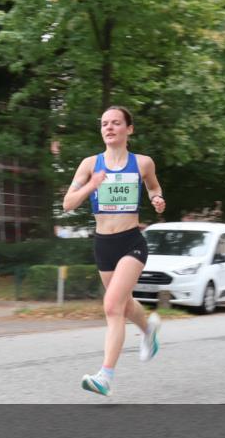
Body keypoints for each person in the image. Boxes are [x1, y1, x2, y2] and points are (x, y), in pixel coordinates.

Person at [62, 106, 166, 396]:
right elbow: (68, 204)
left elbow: (154, 188)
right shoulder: (89, 164)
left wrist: (158, 199)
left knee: (111, 307)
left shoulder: (143, 163)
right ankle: (149, 331)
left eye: (116, 123)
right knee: (125, 305)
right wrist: (91, 185)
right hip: (103, 245)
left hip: (132, 243)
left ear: (128, 129)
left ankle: (104, 376)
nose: (109, 127)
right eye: (105, 124)